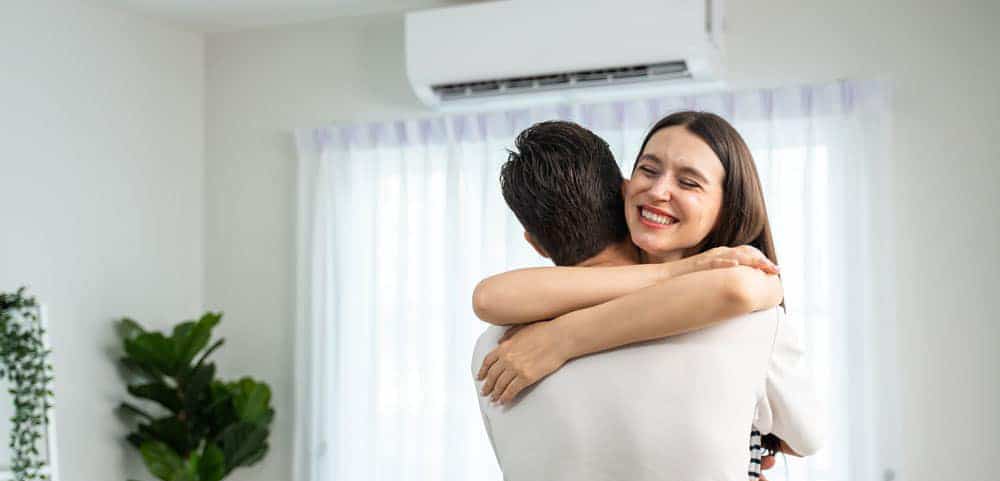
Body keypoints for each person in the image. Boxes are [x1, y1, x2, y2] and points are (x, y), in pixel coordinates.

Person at [470, 116, 823, 480]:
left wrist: (561, 338)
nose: (658, 191)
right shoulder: (752, 325)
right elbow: (805, 438)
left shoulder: (494, 351)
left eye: (688, 182)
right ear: (623, 190)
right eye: (648, 170)